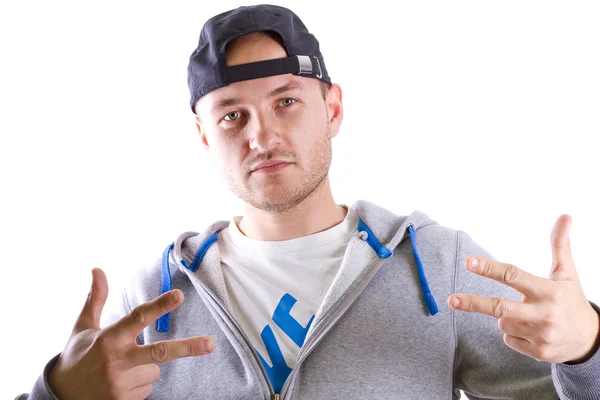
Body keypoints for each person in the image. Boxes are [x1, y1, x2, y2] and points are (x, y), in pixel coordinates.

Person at [17, 4, 600, 400]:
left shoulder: (437, 264)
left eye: (286, 102)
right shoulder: (156, 292)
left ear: (334, 108)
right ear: (203, 136)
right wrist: (57, 395)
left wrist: (587, 349)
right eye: (231, 115)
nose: (261, 137)